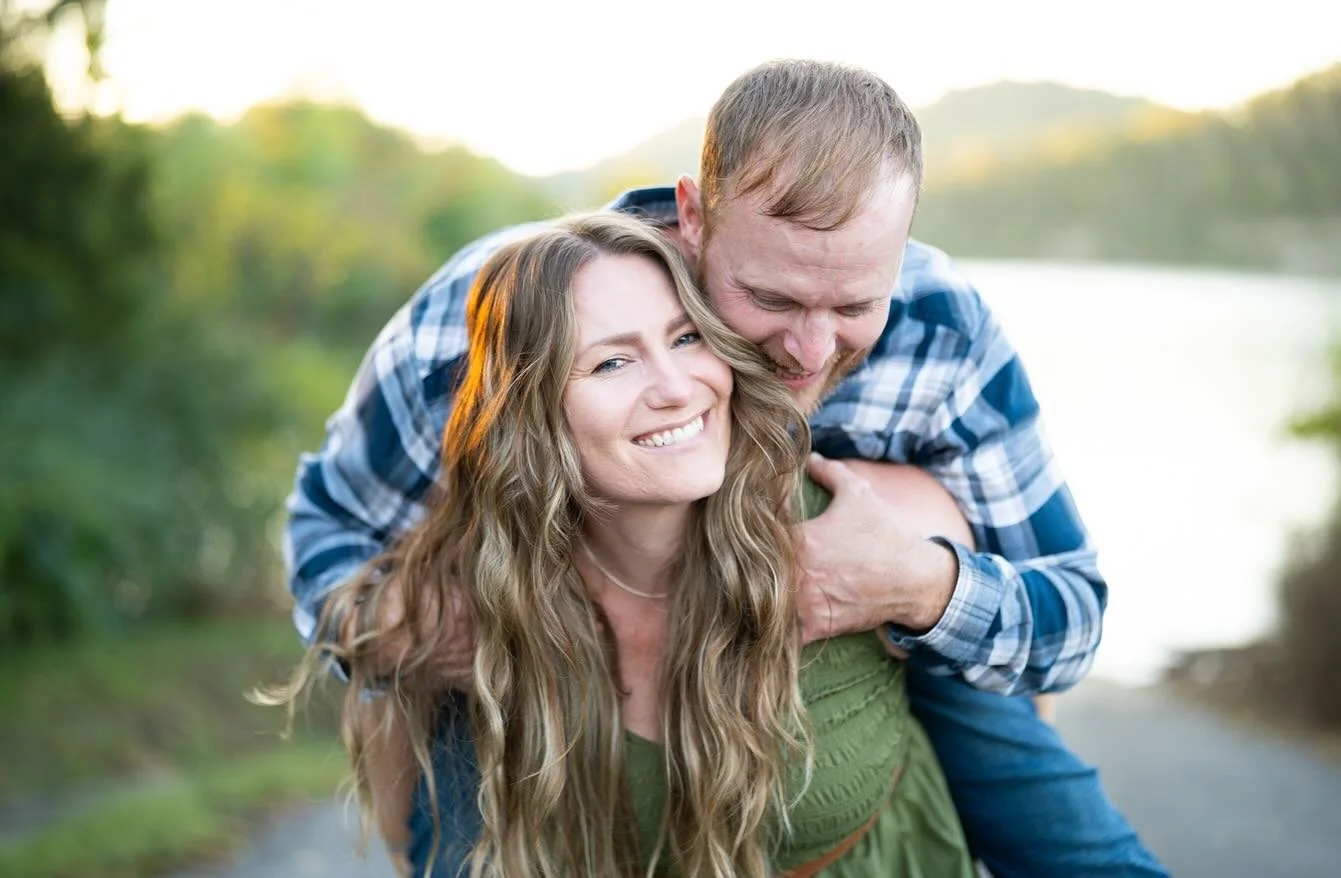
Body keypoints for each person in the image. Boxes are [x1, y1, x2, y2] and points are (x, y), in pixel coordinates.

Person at [284, 59, 1168, 877]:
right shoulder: (487, 316)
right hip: (536, 640)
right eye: (771, 299)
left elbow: (1070, 619)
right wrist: (412, 628)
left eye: (856, 304)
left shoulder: (940, 327)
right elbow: (328, 528)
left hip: (870, 631)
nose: (810, 350)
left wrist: (917, 586)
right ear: (695, 215)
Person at [277, 211, 978, 877]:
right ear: (533, 418)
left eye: (685, 339)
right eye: (611, 364)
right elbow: (413, 840)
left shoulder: (868, 522)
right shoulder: (470, 595)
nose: (675, 388)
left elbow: (1011, 719)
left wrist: (926, 587)